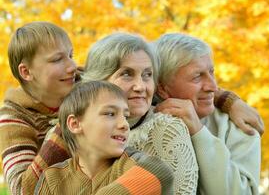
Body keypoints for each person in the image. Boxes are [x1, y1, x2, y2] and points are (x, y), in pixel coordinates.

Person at [82, 33, 199, 194]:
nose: (140, 86)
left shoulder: (167, 130)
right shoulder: (70, 127)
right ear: (99, 81)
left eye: (147, 75)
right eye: (126, 74)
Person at [154, 33, 261, 194]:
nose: (213, 86)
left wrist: (199, 133)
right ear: (162, 88)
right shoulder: (137, 120)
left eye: (212, 72)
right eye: (197, 77)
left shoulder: (240, 126)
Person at [34, 80, 174, 195]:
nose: (124, 125)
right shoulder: (52, 179)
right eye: (110, 114)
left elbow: (162, 172)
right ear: (75, 124)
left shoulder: (132, 164)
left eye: (125, 116)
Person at [0, 22, 75, 194]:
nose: (71, 66)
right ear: (26, 72)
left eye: (71, 55)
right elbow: (21, 190)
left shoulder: (84, 83)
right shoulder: (14, 117)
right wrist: (70, 121)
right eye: (57, 59)